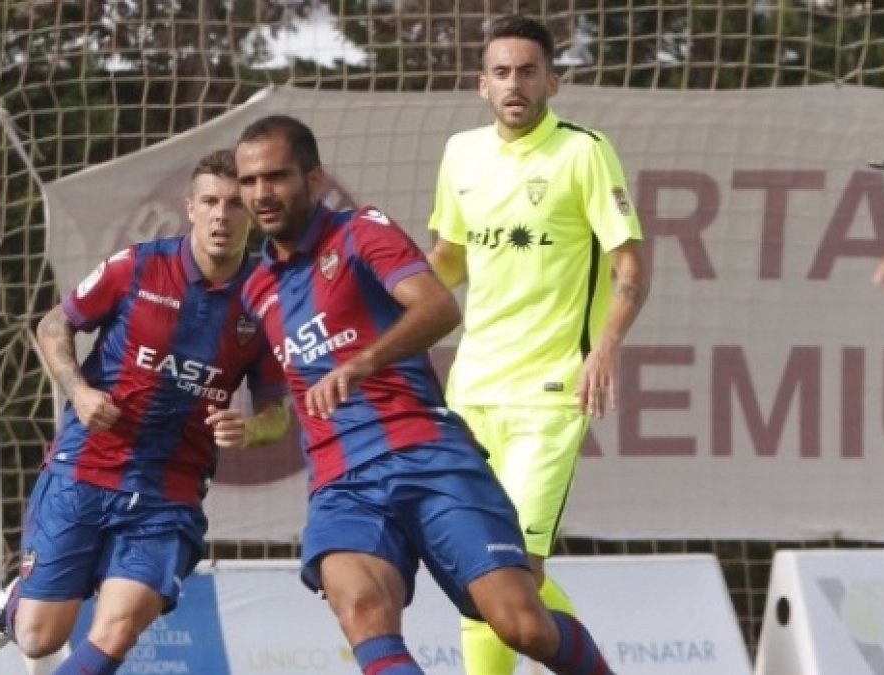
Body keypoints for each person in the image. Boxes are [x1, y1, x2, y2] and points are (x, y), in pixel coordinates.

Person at [235, 114, 615, 675]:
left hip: (428, 455)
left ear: (313, 180)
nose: (262, 194)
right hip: (343, 483)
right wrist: (247, 427)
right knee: (362, 609)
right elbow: (271, 406)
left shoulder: (361, 231)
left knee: (520, 624)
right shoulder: (255, 290)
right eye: (249, 182)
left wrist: (364, 362)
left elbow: (439, 306)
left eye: (276, 177)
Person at [0, 148, 290, 675]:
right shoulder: (137, 266)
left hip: (169, 493)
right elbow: (54, 326)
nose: (221, 216)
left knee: (117, 629)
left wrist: (252, 429)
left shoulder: (266, 301)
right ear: (189, 207)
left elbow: (278, 412)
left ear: (253, 214)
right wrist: (78, 391)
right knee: (37, 639)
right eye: (210, 201)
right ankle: (21, 599)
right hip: (85, 469)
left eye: (235, 205)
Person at [425, 15, 648, 675]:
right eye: (501, 72)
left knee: (513, 562)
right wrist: (384, 310)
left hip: (551, 392)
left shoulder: (583, 152)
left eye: (527, 71)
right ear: (481, 85)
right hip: (471, 391)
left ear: (553, 80)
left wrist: (606, 346)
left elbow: (631, 266)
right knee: (481, 567)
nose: (514, 84)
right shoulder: (461, 155)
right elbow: (449, 259)